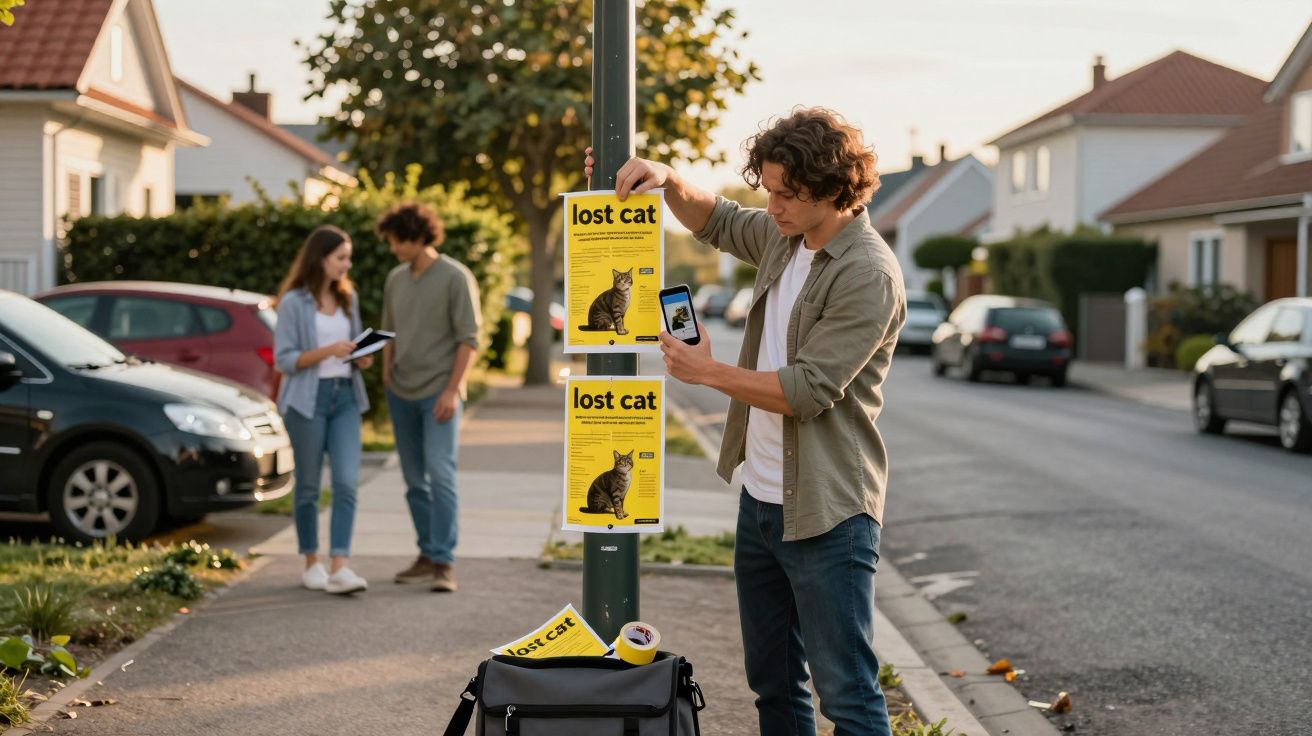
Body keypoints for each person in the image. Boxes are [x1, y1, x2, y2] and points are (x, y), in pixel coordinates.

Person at [587, 107, 906, 736]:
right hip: (761, 501)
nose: (774, 205)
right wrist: (667, 179)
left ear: (835, 186)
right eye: (769, 189)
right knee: (774, 685)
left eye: (788, 194)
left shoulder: (866, 272)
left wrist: (707, 373)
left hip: (827, 513)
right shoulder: (785, 238)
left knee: (847, 697)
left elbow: (808, 390)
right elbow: (720, 220)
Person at [376, 202, 481, 593]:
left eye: (398, 241)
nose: (393, 249)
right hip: (400, 392)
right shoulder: (395, 278)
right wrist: (387, 372)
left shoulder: (456, 277)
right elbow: (389, 330)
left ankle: (443, 562)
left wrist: (452, 389)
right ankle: (426, 553)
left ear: (419, 237)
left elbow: (468, 339)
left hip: (440, 393)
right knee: (412, 480)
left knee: (440, 474)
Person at [274, 225, 372, 595]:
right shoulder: (293, 303)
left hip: (345, 396)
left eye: (349, 257)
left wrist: (360, 358)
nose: (348, 265)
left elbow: (355, 345)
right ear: (320, 259)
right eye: (341, 258)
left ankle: (340, 565)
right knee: (310, 487)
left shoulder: (349, 298)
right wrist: (328, 352)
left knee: (347, 482)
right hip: (307, 400)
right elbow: (284, 360)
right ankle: (311, 562)